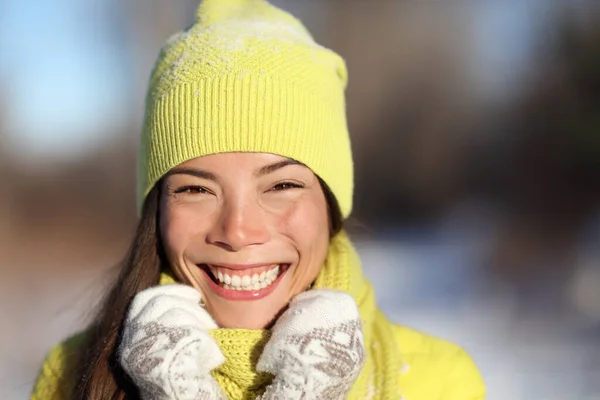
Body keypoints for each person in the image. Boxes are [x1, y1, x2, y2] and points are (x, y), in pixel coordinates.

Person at [31, 0, 486, 399]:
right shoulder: (69, 376)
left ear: (329, 203)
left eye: (281, 186)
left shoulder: (441, 381)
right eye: (195, 189)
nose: (238, 230)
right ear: (157, 207)